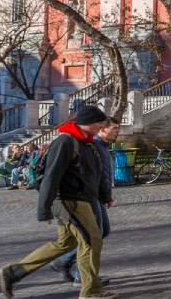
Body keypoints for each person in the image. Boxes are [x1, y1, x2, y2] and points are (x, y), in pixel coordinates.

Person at [0, 105, 112, 298]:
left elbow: (95, 172)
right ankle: (91, 291)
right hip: (70, 201)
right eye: (99, 123)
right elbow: (52, 176)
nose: (102, 127)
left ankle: (13, 272)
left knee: (65, 244)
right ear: (87, 123)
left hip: (83, 199)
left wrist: (104, 195)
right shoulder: (65, 142)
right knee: (92, 241)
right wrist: (44, 209)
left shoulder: (86, 142)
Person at [53, 117, 119, 286]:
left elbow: (103, 174)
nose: (117, 131)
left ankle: (65, 261)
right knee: (92, 236)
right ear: (102, 128)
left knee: (102, 232)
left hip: (97, 196)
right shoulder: (93, 144)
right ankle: (81, 277)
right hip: (87, 197)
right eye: (114, 128)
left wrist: (107, 196)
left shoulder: (102, 146)